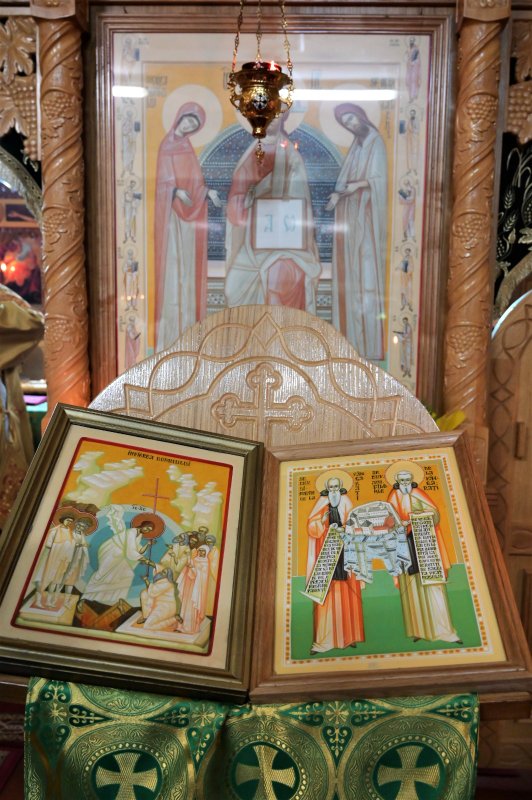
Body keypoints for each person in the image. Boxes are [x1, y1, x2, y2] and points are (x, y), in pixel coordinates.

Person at [224, 113, 322, 312]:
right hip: (253, 243)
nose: (270, 123)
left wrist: (277, 195)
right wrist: (248, 198)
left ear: (282, 121)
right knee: (232, 288)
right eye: (267, 118)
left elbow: (299, 199)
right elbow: (237, 200)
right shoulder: (252, 154)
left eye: (275, 118)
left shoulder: (291, 155)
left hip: (287, 244)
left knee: (279, 275)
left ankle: (276, 328)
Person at [154, 102, 221, 352]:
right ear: (179, 118)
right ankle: (171, 338)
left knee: (187, 274)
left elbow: (196, 183)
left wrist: (207, 192)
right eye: (187, 121)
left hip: (189, 220)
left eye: (193, 125)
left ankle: (188, 333)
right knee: (173, 271)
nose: (188, 126)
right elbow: (161, 184)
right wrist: (174, 191)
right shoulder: (166, 146)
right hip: (172, 218)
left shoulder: (187, 148)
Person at [326, 104, 387, 360]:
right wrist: (337, 196)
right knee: (352, 279)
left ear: (361, 116)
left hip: (367, 222)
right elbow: (345, 182)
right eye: (346, 123)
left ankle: (369, 347)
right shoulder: (357, 146)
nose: (350, 125)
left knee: (366, 278)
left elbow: (380, 180)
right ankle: (351, 343)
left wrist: (358, 187)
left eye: (351, 119)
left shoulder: (375, 142)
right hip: (351, 220)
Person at [386, 465, 461, 644]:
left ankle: (444, 631)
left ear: (412, 481)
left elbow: (435, 514)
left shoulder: (419, 493)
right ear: (397, 481)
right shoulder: (393, 496)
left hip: (424, 542)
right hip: (404, 546)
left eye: (407, 480)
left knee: (433, 587)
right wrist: (396, 523)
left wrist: (415, 517)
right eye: (402, 480)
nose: (405, 483)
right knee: (411, 588)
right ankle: (419, 630)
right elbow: (387, 520)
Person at [306, 475, 365, 653]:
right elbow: (311, 528)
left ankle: (349, 637)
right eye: (330, 487)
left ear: (340, 488)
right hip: (326, 552)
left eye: (336, 487)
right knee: (326, 597)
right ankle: (323, 641)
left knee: (348, 595)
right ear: (326, 489)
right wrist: (321, 522)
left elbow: (356, 524)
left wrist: (345, 528)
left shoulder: (346, 502)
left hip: (346, 552)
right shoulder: (321, 504)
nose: (333, 491)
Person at [82, 514, 152, 605]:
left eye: (149, 530)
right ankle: (84, 598)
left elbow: (138, 551)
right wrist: (143, 559)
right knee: (101, 575)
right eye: (147, 527)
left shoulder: (139, 535)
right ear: (143, 525)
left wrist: (148, 544)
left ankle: (117, 600)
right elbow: (131, 551)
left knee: (128, 575)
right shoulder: (131, 532)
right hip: (112, 551)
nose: (147, 530)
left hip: (121, 556)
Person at [34, 512, 77, 608]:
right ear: (63, 520)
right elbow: (48, 544)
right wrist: (61, 546)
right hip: (52, 558)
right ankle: (38, 601)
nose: (69, 522)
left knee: (55, 581)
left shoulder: (70, 533)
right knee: (44, 578)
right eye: (68, 520)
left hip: (62, 560)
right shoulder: (55, 531)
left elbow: (71, 545)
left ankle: (49, 601)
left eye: (71, 521)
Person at [405, 37, 421, 103]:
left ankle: (413, 96)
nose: (411, 43)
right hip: (409, 69)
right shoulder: (408, 49)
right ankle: (411, 97)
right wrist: (407, 59)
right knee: (409, 82)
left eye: (412, 41)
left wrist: (412, 63)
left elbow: (417, 60)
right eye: (410, 41)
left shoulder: (416, 50)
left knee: (414, 82)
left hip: (414, 69)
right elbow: (406, 58)